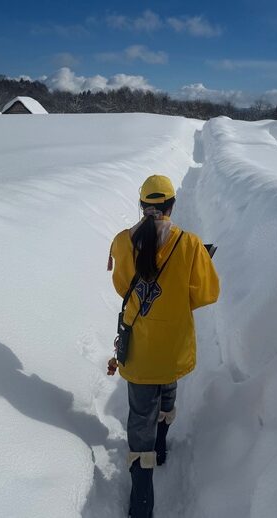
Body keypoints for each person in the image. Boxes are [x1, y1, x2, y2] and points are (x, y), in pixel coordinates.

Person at [109, 174, 220, 518]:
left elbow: (121, 287)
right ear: (171, 205)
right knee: (167, 389)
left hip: (140, 352)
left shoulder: (121, 242)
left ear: (143, 205)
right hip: (173, 346)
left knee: (140, 413)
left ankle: (142, 498)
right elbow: (206, 294)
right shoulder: (190, 244)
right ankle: (162, 446)